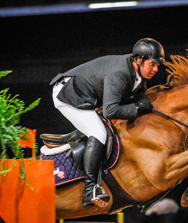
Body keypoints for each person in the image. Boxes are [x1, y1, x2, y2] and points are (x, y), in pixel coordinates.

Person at [49, 38, 165, 207]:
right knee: (98, 132)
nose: (156, 69)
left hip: (85, 95)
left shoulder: (137, 75)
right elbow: (110, 111)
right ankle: (90, 190)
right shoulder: (120, 73)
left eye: (158, 65)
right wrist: (137, 107)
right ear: (138, 60)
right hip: (69, 95)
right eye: (152, 64)